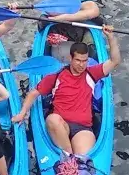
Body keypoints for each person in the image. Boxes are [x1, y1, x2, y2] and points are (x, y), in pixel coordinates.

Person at [12, 24, 120, 157]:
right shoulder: (57, 75)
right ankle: (68, 157)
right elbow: (34, 93)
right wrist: (22, 113)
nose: (81, 65)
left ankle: (75, 162)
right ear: (70, 59)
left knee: (84, 158)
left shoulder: (92, 73)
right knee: (52, 120)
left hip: (83, 128)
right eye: (78, 61)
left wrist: (111, 37)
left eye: (85, 61)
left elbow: (115, 61)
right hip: (60, 125)